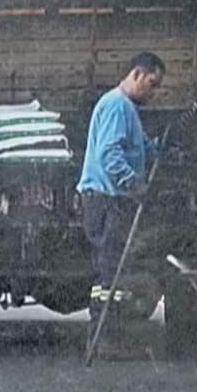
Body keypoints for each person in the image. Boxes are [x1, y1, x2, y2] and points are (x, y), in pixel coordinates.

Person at [77, 52, 164, 314]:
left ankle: (110, 330)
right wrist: (133, 183)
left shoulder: (128, 109)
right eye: (151, 83)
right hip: (105, 200)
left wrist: (160, 148)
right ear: (136, 74)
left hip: (109, 199)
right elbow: (109, 154)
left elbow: (138, 147)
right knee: (110, 268)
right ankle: (105, 331)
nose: (153, 92)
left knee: (113, 267)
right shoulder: (117, 106)